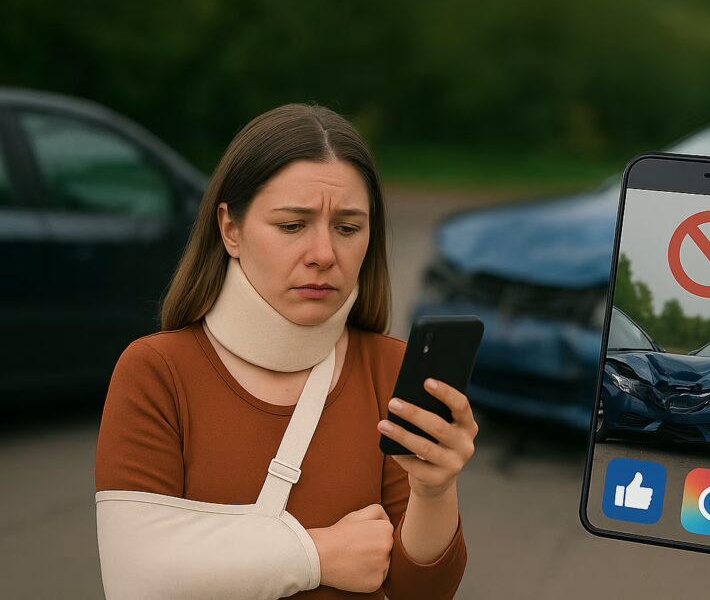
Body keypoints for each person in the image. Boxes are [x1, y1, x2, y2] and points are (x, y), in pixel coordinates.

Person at [95, 104, 474, 598]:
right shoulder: (158, 371)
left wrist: (434, 490)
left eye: (347, 227)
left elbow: (421, 593)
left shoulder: (391, 370)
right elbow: (135, 579)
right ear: (230, 228)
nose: (323, 254)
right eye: (293, 226)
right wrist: (317, 555)